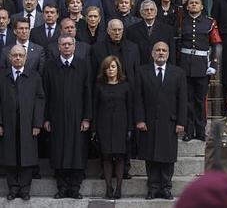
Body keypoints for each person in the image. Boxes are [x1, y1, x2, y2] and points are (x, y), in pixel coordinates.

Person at [134, 41, 187, 200]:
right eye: (158, 50)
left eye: (164, 50)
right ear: (152, 53)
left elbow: (182, 99)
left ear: (168, 54)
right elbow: (138, 98)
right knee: (150, 157)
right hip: (148, 123)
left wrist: (181, 122)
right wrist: (140, 119)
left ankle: (165, 188)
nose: (161, 53)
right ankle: (152, 188)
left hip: (169, 123)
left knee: (167, 157)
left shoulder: (178, 73)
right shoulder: (142, 71)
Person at [43, 34, 92, 199]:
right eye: (63, 44)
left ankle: (74, 188)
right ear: (58, 47)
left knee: (77, 152)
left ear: (74, 46)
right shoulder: (50, 66)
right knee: (59, 151)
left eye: (69, 44)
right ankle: (62, 187)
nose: (66, 47)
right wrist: (46, 118)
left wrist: (87, 117)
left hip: (78, 118)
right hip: (56, 118)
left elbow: (88, 93)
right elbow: (45, 94)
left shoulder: (83, 65)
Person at [0, 44, 45, 201]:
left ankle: (25, 189)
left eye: (21, 55)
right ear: (9, 57)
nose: (18, 58)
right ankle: (13, 188)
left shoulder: (34, 76)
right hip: (8, 124)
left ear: (26, 58)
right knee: (10, 156)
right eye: (15, 55)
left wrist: (37, 124)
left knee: (27, 157)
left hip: (28, 124)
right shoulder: (2, 76)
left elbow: (40, 100)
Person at [179, 0, 221, 141]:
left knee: (200, 100)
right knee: (187, 100)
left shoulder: (209, 22)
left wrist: (214, 64)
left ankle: (201, 131)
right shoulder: (181, 21)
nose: (194, 5)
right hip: (185, 65)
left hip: (202, 66)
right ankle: (188, 131)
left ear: (202, 7)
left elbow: (216, 44)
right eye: (191, 3)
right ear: (187, 6)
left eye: (197, 3)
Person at [93, 55, 132, 199]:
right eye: (108, 67)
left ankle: (119, 189)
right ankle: (108, 188)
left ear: (118, 69)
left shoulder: (125, 86)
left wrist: (129, 128)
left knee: (120, 157)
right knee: (106, 157)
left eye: (113, 67)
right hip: (104, 125)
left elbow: (129, 108)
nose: (110, 70)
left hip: (121, 126)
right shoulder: (99, 86)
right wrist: (94, 129)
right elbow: (95, 108)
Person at [126, 0, 176, 65]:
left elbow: (172, 53)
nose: (149, 12)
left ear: (156, 12)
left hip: (160, 67)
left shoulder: (167, 29)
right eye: (146, 10)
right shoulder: (131, 30)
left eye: (151, 9)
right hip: (140, 67)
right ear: (141, 13)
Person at [91, 19, 140, 84]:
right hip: (105, 88)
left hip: (128, 88)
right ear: (108, 31)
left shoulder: (133, 48)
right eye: (114, 30)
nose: (117, 33)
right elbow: (94, 73)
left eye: (119, 30)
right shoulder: (97, 48)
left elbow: (136, 72)